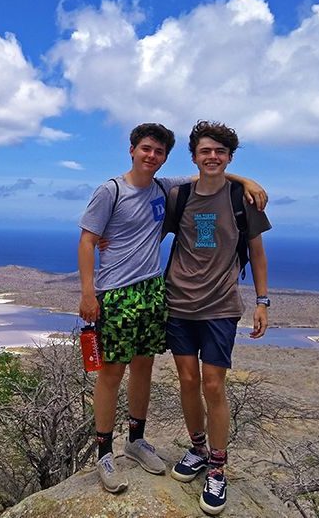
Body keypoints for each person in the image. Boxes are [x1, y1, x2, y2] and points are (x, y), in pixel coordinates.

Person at [78, 122, 266, 494]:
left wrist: (248, 181)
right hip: (115, 293)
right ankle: (103, 452)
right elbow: (87, 241)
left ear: (166, 158)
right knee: (112, 373)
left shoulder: (168, 188)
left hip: (152, 292)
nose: (152, 156)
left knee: (144, 368)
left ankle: (136, 439)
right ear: (132, 149)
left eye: (159, 152)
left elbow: (212, 171)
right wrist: (88, 293)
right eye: (146, 149)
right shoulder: (110, 191)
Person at [164, 120, 271, 515]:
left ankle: (218, 467)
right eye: (205, 151)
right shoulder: (180, 196)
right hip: (179, 303)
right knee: (187, 380)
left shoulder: (242, 199)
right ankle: (197, 449)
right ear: (194, 157)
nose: (213, 157)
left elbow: (257, 253)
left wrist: (263, 301)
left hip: (221, 306)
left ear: (229, 158)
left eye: (220, 152)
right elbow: (148, 228)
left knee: (214, 384)